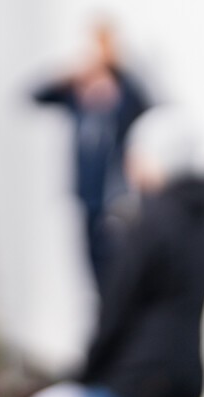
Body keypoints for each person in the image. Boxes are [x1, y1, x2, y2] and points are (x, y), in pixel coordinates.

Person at [80, 107, 204, 397]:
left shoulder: (149, 222)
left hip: (134, 379)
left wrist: (87, 373)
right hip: (189, 379)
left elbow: (117, 307)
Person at [31, 22, 150, 293]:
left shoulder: (124, 94)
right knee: (94, 281)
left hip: (115, 204)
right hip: (87, 201)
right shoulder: (78, 94)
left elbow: (148, 101)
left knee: (118, 278)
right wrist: (71, 74)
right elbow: (34, 96)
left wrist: (119, 72)